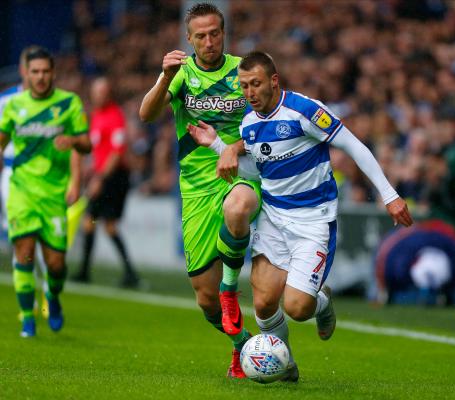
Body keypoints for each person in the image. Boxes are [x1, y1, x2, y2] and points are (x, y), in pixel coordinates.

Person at [188, 51, 414, 381]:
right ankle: (286, 365)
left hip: (313, 221)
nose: (249, 92)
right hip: (274, 218)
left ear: (274, 81)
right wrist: (217, 147)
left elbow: (353, 146)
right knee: (264, 304)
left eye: (256, 84)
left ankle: (322, 302)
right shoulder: (250, 124)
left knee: (296, 308)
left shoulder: (305, 111)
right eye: (244, 86)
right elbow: (259, 166)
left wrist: (389, 194)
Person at [138, 3, 260, 378]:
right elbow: (146, 115)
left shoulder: (244, 71)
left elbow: (269, 122)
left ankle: (230, 287)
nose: (209, 42)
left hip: (242, 173)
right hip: (194, 188)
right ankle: (245, 348)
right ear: (188, 39)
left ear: (224, 34)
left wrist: (234, 150)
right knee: (205, 301)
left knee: (238, 207)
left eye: (215, 34)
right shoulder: (180, 74)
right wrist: (163, 78)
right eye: (201, 36)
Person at [0, 46, 91, 337]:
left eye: (45, 71)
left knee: (55, 264)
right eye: (34, 71)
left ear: (53, 73)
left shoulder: (69, 104)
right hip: (21, 190)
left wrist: (73, 140)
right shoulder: (14, 105)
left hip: (54, 193)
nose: (40, 77)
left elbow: (87, 145)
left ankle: (52, 296)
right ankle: (28, 317)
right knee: (24, 253)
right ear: (27, 73)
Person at [72, 77, 139, 287]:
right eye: (96, 91)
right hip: (102, 175)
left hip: (114, 177)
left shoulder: (115, 116)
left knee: (106, 225)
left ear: (109, 93)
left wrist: (100, 179)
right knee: (91, 223)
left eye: (102, 91)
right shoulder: (96, 116)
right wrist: (90, 169)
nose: (98, 95)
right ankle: (88, 271)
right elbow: (100, 150)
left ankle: (128, 274)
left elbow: (117, 153)